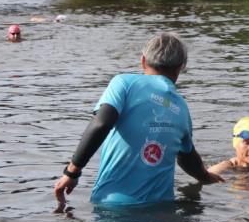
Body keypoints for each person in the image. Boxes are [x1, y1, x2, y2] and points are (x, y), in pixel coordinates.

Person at [53, 33, 223, 211]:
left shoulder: (124, 83)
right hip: (161, 210)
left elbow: (101, 123)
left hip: (113, 206)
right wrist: (206, 177)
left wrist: (72, 171)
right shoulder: (181, 107)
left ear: (143, 61)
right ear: (180, 67)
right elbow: (187, 156)